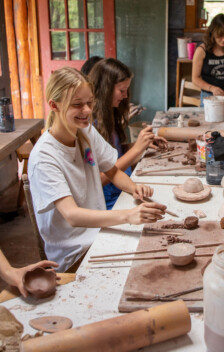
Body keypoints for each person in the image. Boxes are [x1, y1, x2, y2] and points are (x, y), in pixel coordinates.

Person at [28, 67, 166, 272]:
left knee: (157, 242)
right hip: (73, 252)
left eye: (89, 103)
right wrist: (128, 215)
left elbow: (112, 171)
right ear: (54, 105)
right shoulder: (44, 157)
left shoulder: (85, 131)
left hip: (100, 231)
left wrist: (133, 188)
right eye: (77, 105)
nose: (87, 111)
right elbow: (72, 215)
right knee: (149, 262)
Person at [89, 58, 167, 209]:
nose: (125, 96)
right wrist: (137, 149)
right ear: (105, 89)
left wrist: (141, 145)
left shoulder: (109, 114)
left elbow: (114, 152)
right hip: (108, 199)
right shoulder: (91, 125)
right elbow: (100, 178)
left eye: (127, 90)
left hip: (125, 186)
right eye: (121, 90)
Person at [192, 13, 224, 105]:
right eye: (220, 35)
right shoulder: (201, 51)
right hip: (209, 97)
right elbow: (195, 78)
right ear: (212, 33)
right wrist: (212, 88)